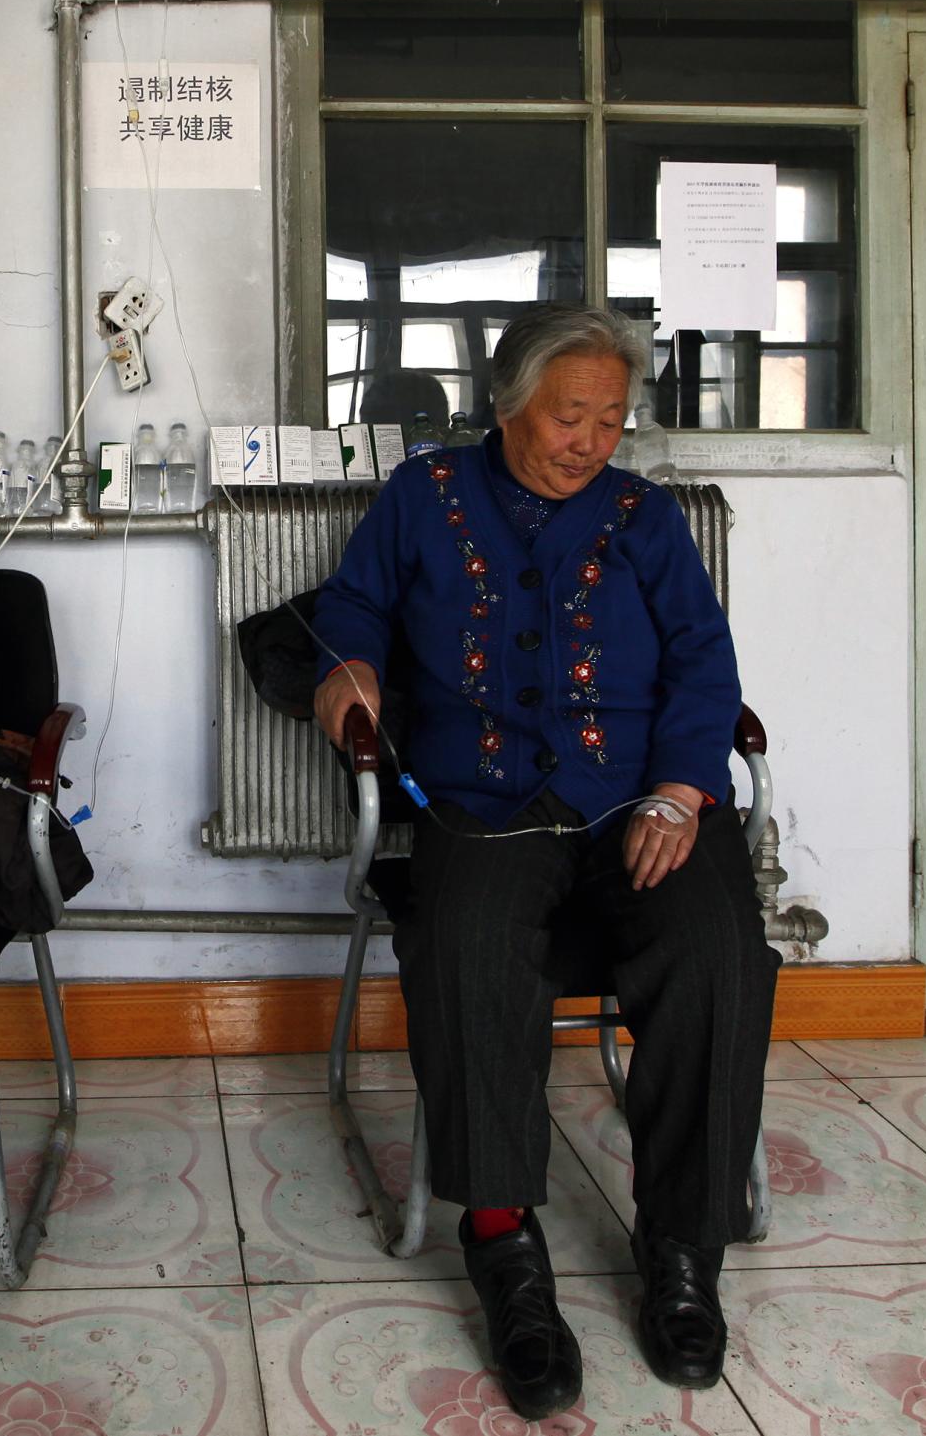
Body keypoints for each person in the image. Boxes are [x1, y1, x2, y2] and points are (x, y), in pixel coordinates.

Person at [311, 305, 777, 1418]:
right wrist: (350, 672)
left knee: (716, 952)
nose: (588, 439)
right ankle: (503, 1243)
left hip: (642, 802)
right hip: (482, 802)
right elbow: (350, 606)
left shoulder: (643, 519)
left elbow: (706, 666)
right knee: (467, 950)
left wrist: (677, 789)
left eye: (609, 420)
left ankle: (681, 1247)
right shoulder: (422, 496)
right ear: (507, 403)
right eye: (568, 414)